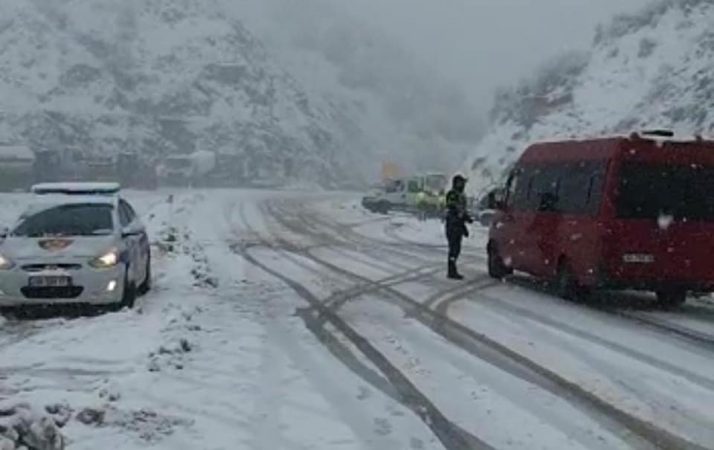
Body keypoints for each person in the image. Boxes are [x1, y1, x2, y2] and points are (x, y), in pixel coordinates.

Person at [445, 175, 473, 279]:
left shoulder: (461, 195)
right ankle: (451, 271)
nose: (463, 185)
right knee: (454, 248)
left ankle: (452, 269)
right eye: (461, 183)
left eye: (464, 183)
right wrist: (463, 218)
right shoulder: (453, 194)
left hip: (458, 225)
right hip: (453, 225)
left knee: (457, 248)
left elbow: (461, 210)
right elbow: (453, 209)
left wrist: (466, 219)